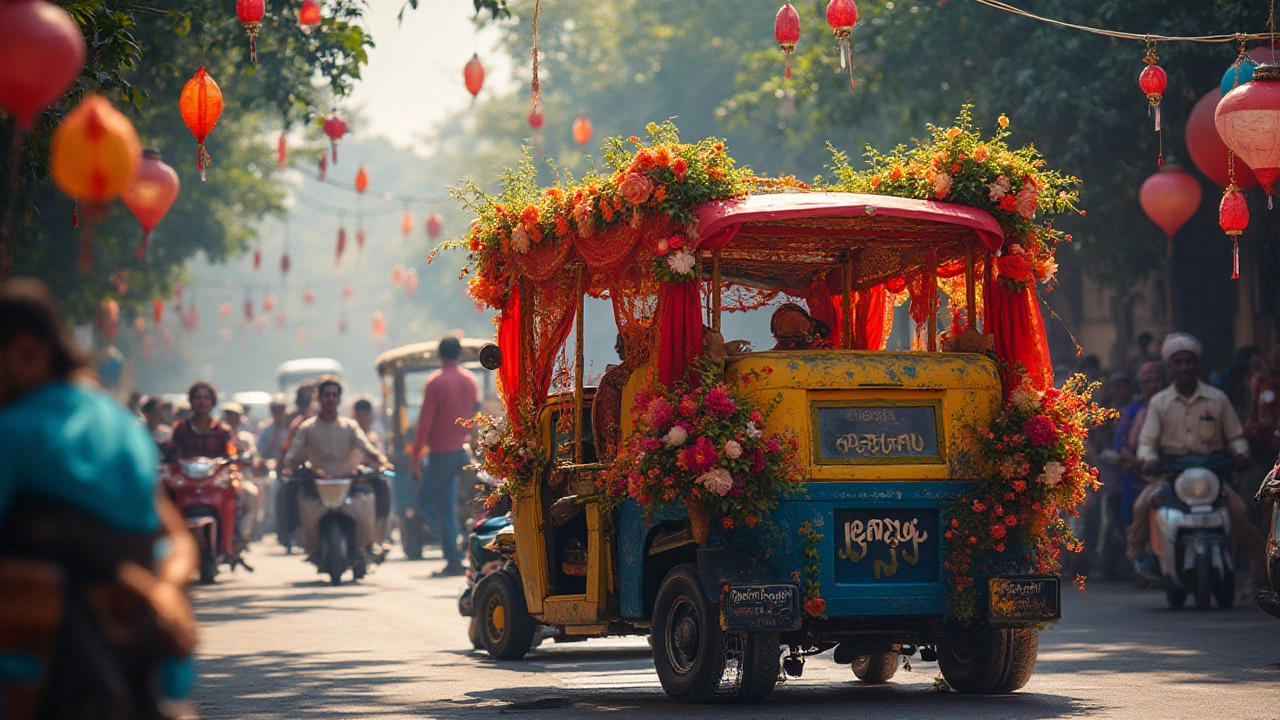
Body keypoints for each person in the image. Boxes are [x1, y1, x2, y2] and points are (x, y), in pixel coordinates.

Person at [0, 279, 197, 716]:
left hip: (47, 670)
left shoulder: (14, 431)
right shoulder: (122, 424)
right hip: (145, 664)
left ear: (27, 351)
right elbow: (177, 538)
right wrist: (163, 591)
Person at [1126, 332, 1267, 584]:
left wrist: (1240, 452)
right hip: (1169, 475)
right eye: (1177, 362)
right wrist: (1148, 459)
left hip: (1211, 475)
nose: (1184, 367)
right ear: (1170, 367)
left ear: (1197, 363)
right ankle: (1138, 559)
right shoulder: (1160, 402)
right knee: (1141, 506)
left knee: (1241, 511)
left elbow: (1235, 436)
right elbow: (1147, 442)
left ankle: (1263, 573)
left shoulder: (1217, 399)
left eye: (1188, 361)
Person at [283, 376, 389, 560]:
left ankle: (371, 543)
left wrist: (382, 461)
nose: (330, 399)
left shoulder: (350, 426)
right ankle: (298, 539)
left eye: (334, 395)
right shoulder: (307, 428)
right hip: (318, 483)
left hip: (349, 481)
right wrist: (291, 465)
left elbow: (367, 448)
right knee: (290, 492)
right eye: (326, 395)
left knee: (377, 490)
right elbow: (294, 452)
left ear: (339, 399)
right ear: (318, 398)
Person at [411, 335, 479, 577]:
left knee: (423, 501)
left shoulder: (436, 382)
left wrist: (415, 456)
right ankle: (453, 556)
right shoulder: (470, 380)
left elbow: (424, 422)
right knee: (445, 506)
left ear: (439, 355)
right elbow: (474, 415)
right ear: (458, 353)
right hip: (462, 450)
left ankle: (454, 545)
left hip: (442, 452)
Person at [1114, 362, 1166, 529]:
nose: (1153, 386)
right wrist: (1136, 462)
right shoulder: (1133, 410)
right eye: (1147, 382)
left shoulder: (1172, 406)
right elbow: (1119, 441)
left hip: (1168, 471)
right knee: (1133, 519)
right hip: (1136, 473)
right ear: (1141, 386)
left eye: (1157, 380)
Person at [166, 381, 235, 461]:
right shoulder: (181, 429)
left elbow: (231, 455)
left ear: (213, 402)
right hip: (186, 472)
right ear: (191, 401)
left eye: (206, 398)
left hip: (216, 472)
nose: (202, 402)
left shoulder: (222, 431)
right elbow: (171, 454)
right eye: (198, 397)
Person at [256, 394, 290, 464]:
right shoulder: (266, 431)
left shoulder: (291, 429)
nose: (278, 415)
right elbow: (261, 453)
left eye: (280, 411)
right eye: (276, 411)